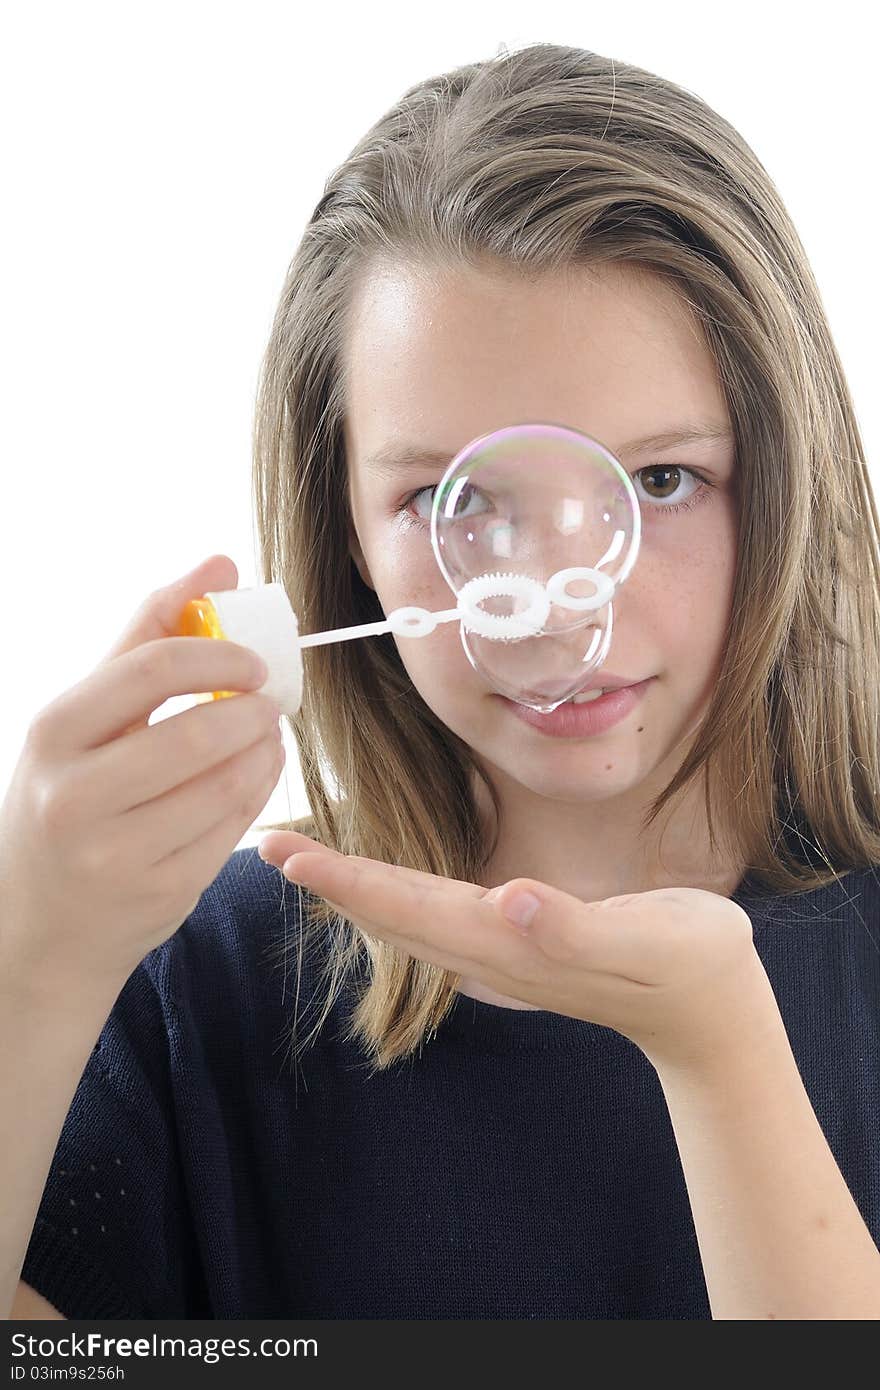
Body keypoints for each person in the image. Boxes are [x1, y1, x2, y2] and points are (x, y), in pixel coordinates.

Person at [4, 42, 880, 1322]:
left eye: (657, 481)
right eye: (443, 499)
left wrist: (723, 1055)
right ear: (346, 534)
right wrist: (33, 961)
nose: (555, 607)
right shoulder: (194, 990)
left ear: (785, 482)